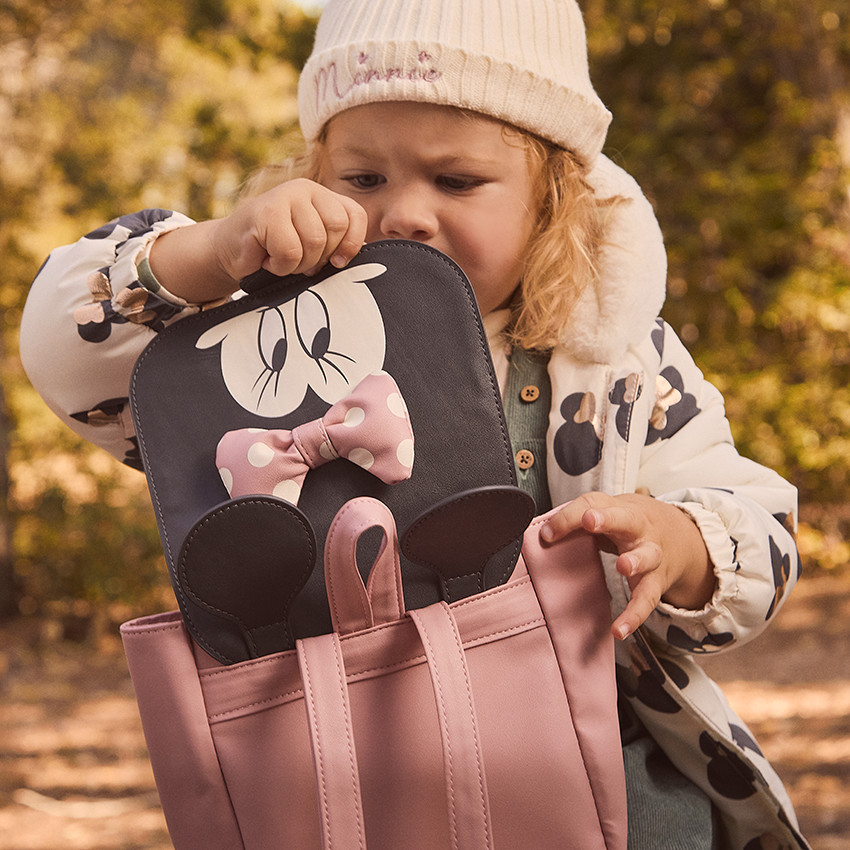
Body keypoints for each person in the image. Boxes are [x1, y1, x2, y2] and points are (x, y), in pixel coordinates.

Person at [19, 0, 808, 847]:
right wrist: (212, 255)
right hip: (346, 783)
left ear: (553, 200)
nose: (404, 213)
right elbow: (66, 358)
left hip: (600, 784)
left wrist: (680, 543)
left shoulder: (613, 360)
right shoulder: (268, 350)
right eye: (362, 179)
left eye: (457, 180)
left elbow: (761, 534)